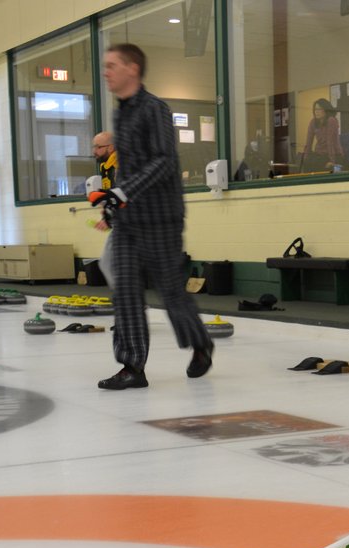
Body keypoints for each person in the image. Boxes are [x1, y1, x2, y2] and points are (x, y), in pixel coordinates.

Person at [93, 43, 214, 390]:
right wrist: (114, 201)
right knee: (126, 292)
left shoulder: (155, 109)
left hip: (162, 218)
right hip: (131, 221)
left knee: (171, 291)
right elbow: (129, 167)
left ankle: (200, 343)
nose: (106, 72)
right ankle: (132, 366)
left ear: (133, 69)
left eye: (112, 65)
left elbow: (163, 161)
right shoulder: (121, 114)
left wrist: (124, 192)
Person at [92, 131, 117, 289]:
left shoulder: (121, 165)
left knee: (108, 263)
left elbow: (123, 194)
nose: (94, 151)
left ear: (111, 147)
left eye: (98, 147)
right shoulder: (105, 167)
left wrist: (108, 217)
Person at [301, 98, 345, 172]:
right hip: (320, 155)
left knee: (323, 165)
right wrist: (305, 159)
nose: (316, 112)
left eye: (319, 109)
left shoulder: (331, 121)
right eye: (315, 109)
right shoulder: (313, 122)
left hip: (333, 154)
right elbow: (308, 143)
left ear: (325, 110)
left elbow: (330, 142)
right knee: (308, 163)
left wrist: (332, 161)